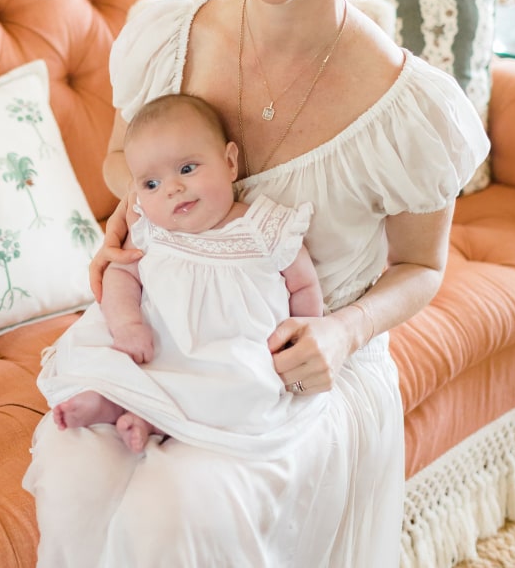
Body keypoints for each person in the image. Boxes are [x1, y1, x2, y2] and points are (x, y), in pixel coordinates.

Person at [23, 0, 490, 567]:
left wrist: (339, 333)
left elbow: (422, 263)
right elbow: (118, 158)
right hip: (168, 334)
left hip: (301, 375)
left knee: (177, 507)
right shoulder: (166, 37)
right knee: (70, 464)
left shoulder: (415, 109)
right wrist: (126, 220)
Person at [39, 92, 324, 456]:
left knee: (252, 385)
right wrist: (128, 325)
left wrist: (303, 336)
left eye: (187, 169)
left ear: (230, 162)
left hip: (231, 353)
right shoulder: (149, 228)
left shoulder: (266, 227)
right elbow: (120, 275)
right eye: (151, 184)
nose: (172, 189)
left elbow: (303, 284)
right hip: (154, 340)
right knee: (108, 357)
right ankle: (109, 401)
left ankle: (150, 419)